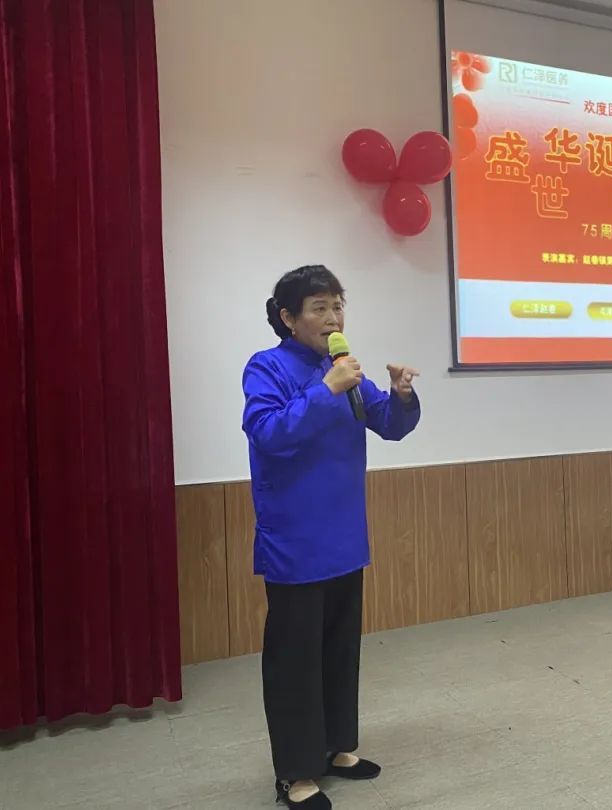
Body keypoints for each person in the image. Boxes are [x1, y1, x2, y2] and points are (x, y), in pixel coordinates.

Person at [241, 265, 421, 809]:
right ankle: (296, 773)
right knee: (295, 661)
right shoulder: (267, 367)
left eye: (338, 305)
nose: (333, 317)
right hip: (296, 542)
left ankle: (338, 747)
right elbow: (268, 433)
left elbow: (388, 424)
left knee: (341, 651)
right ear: (288, 317)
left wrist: (401, 395)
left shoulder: (342, 368)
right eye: (319, 307)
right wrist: (325, 391)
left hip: (344, 536)